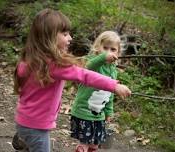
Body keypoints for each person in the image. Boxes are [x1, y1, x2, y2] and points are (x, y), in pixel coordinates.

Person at [11, 9, 131, 152]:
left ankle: (24, 138)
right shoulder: (54, 66)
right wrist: (113, 86)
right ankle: (26, 138)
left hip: (24, 120)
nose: (70, 38)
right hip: (36, 126)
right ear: (48, 37)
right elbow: (84, 75)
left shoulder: (30, 59)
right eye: (65, 34)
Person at [70, 31, 126, 152]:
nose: (108, 52)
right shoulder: (93, 62)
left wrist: (109, 111)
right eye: (105, 48)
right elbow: (87, 68)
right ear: (97, 47)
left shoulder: (113, 71)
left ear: (118, 53)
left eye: (113, 49)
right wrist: (102, 57)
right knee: (84, 144)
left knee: (95, 145)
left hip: (98, 115)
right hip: (83, 112)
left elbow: (109, 93)